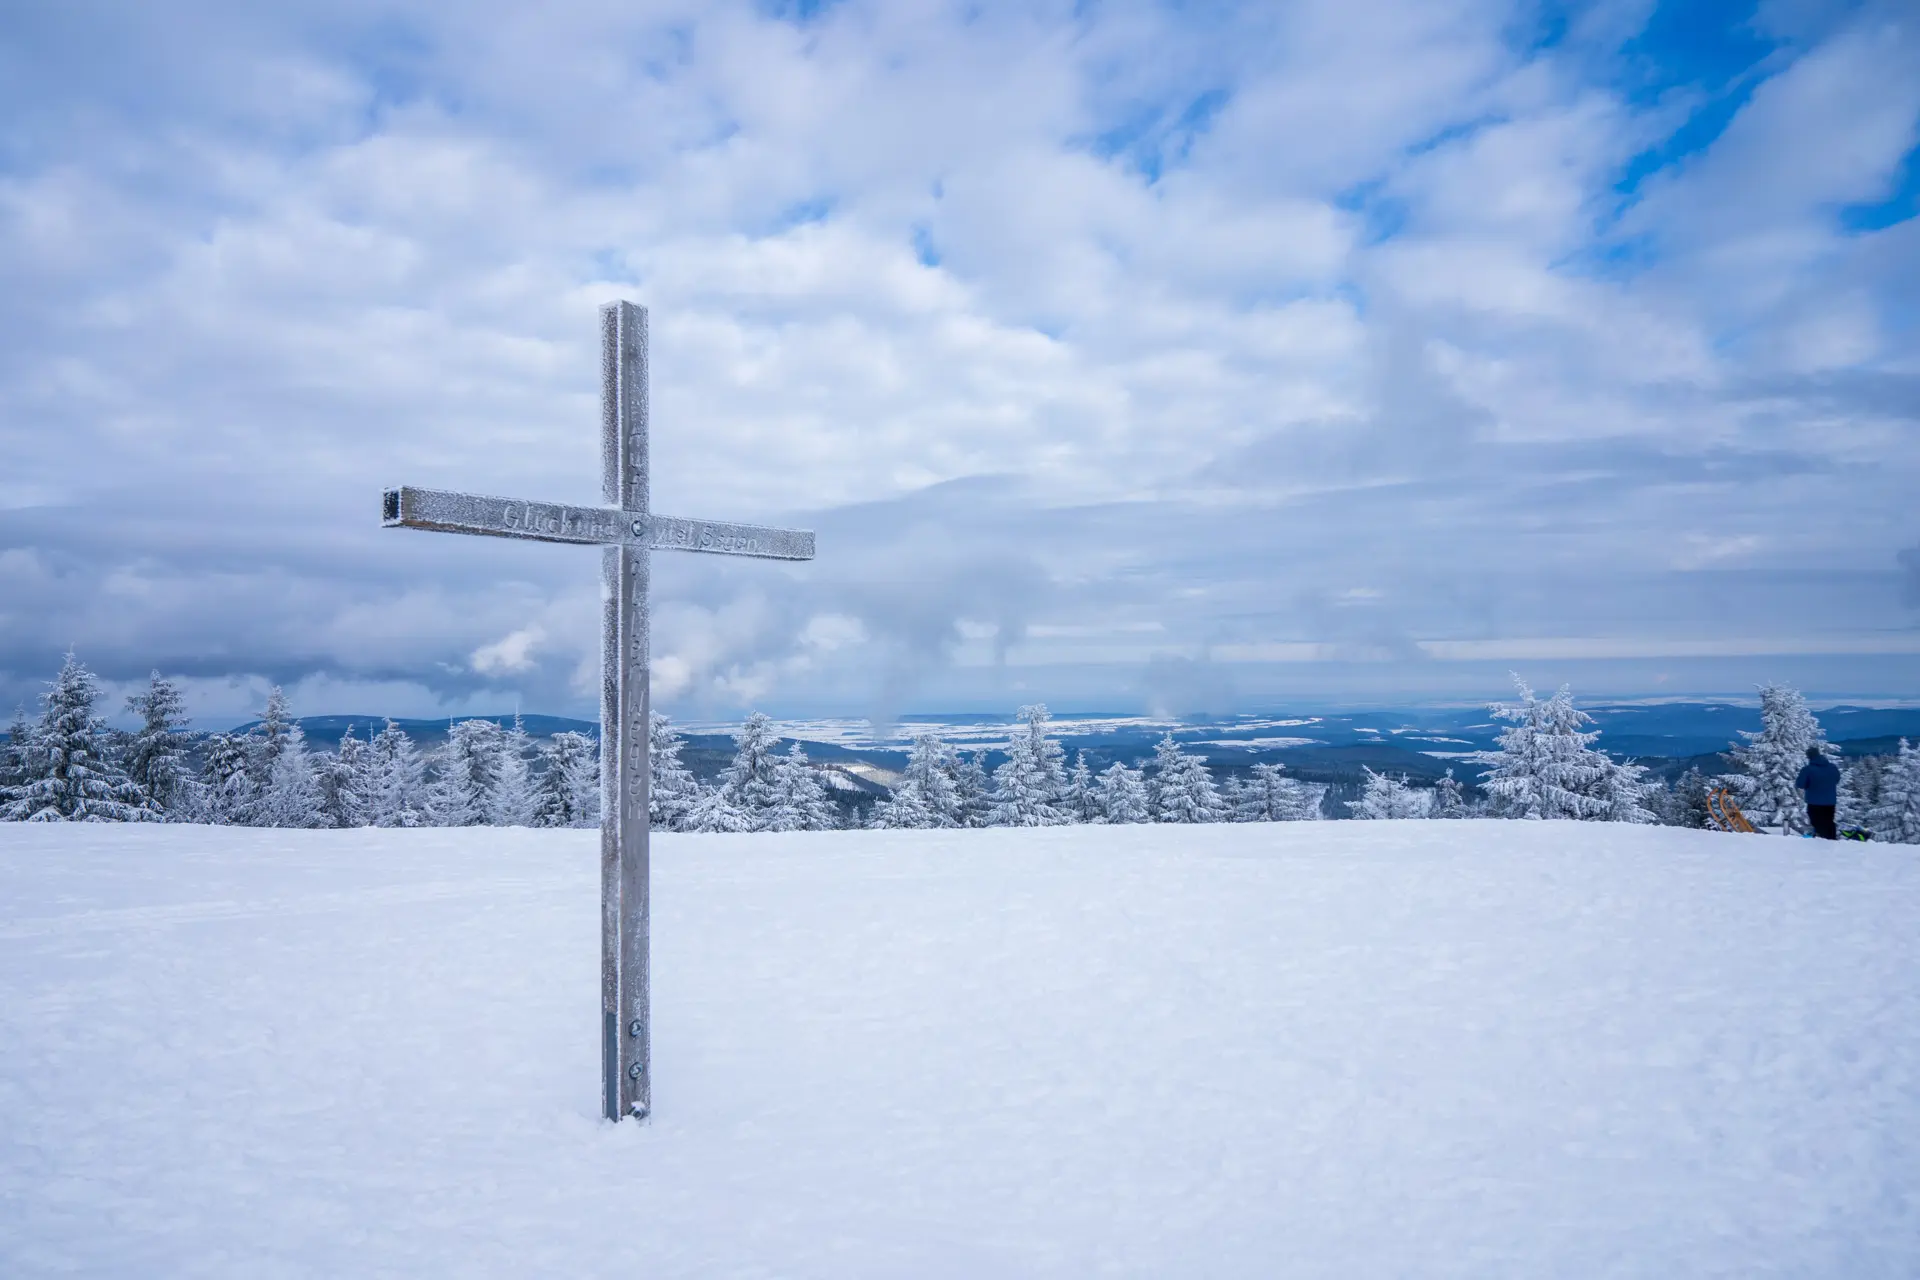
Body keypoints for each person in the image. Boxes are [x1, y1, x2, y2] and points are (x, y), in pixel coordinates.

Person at [1795, 745, 1841, 840]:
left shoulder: (1807, 769)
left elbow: (1800, 784)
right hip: (1830, 801)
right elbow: (1836, 780)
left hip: (1814, 801)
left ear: (1809, 757)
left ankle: (1822, 844)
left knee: (1817, 823)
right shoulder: (1832, 767)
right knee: (1829, 821)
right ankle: (1832, 841)